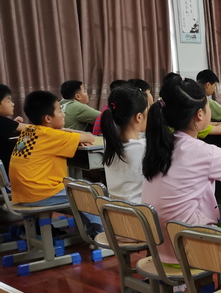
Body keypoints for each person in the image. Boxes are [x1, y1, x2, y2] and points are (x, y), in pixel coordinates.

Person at [141, 77, 221, 264]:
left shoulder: (161, 146)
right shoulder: (202, 152)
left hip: (160, 249)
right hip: (190, 249)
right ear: (200, 114)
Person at [10, 90, 100, 234]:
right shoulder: (52, 135)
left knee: (79, 185)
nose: (63, 114)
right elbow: (89, 137)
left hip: (22, 193)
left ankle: (88, 229)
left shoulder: (29, 130)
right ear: (48, 118)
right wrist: (71, 135)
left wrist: (68, 135)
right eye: (59, 111)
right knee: (90, 192)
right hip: (39, 193)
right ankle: (99, 233)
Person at [100, 82, 150, 203]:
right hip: (141, 212)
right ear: (139, 117)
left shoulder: (110, 144)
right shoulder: (143, 148)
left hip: (115, 211)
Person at [0, 83, 28, 176]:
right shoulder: (2, 121)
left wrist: (13, 124)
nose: (13, 104)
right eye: (8, 101)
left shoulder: (4, 123)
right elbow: (33, 129)